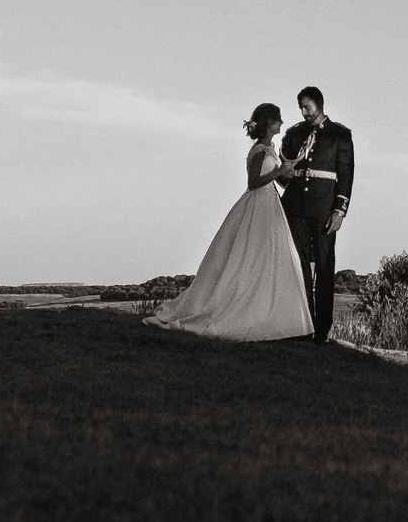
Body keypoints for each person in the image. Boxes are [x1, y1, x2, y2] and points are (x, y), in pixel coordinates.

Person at [145, 102, 314, 341]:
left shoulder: (271, 149)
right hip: (258, 205)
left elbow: (275, 181)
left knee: (270, 258)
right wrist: (279, 171)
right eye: (278, 119)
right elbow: (254, 182)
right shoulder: (260, 150)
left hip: (270, 206)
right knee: (249, 257)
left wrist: (287, 173)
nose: (282, 123)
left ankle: (275, 317)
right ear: (269, 123)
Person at [278, 86, 354, 343]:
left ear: (319, 105)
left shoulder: (340, 136)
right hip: (295, 207)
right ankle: (303, 325)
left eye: (306, 107)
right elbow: (284, 172)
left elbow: (345, 176)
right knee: (298, 266)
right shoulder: (294, 134)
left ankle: (322, 329)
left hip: (324, 211)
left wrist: (339, 211)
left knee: (324, 265)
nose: (303, 112)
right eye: (300, 107)